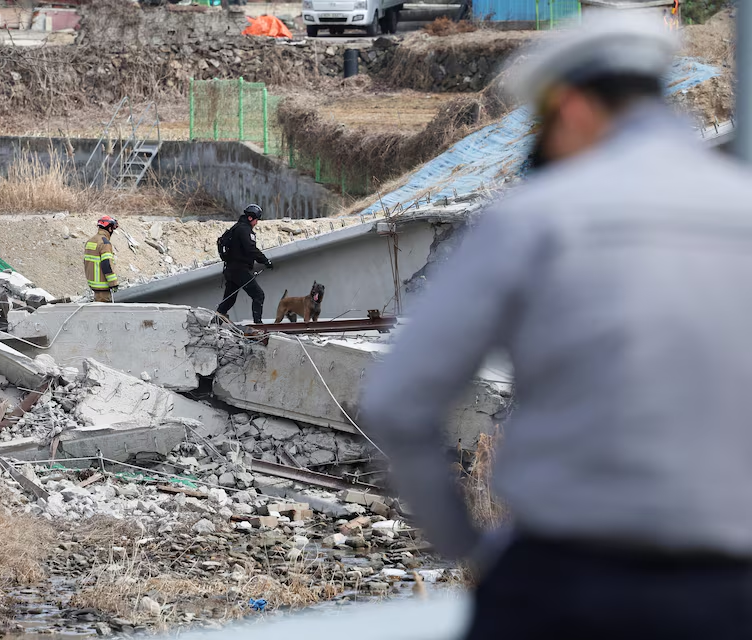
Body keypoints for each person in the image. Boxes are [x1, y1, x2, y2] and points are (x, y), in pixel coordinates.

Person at [361, 11, 752, 639]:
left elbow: (396, 401)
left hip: (564, 584)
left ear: (570, 108)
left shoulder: (533, 219)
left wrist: (472, 551)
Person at [216, 204, 274, 323]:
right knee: (258, 295)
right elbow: (251, 249)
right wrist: (265, 261)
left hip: (230, 270)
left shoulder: (236, 228)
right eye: (256, 220)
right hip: (239, 270)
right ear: (250, 218)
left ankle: (215, 321)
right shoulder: (244, 230)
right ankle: (258, 324)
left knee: (229, 299)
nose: (257, 223)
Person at [83, 215, 119, 302]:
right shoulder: (104, 243)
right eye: (112, 229)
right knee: (103, 312)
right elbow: (106, 264)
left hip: (94, 285)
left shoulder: (90, 241)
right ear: (109, 228)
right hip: (103, 287)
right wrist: (113, 284)